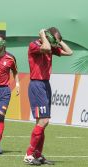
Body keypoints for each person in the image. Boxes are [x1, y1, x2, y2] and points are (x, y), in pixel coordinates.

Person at [24, 27, 73, 165]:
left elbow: (70, 52)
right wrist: (44, 36)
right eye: (54, 39)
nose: (55, 43)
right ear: (48, 36)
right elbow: (45, 47)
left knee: (42, 123)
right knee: (44, 121)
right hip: (37, 85)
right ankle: (28, 155)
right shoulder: (35, 45)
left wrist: (59, 41)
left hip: (45, 85)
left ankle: (37, 155)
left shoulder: (50, 46)